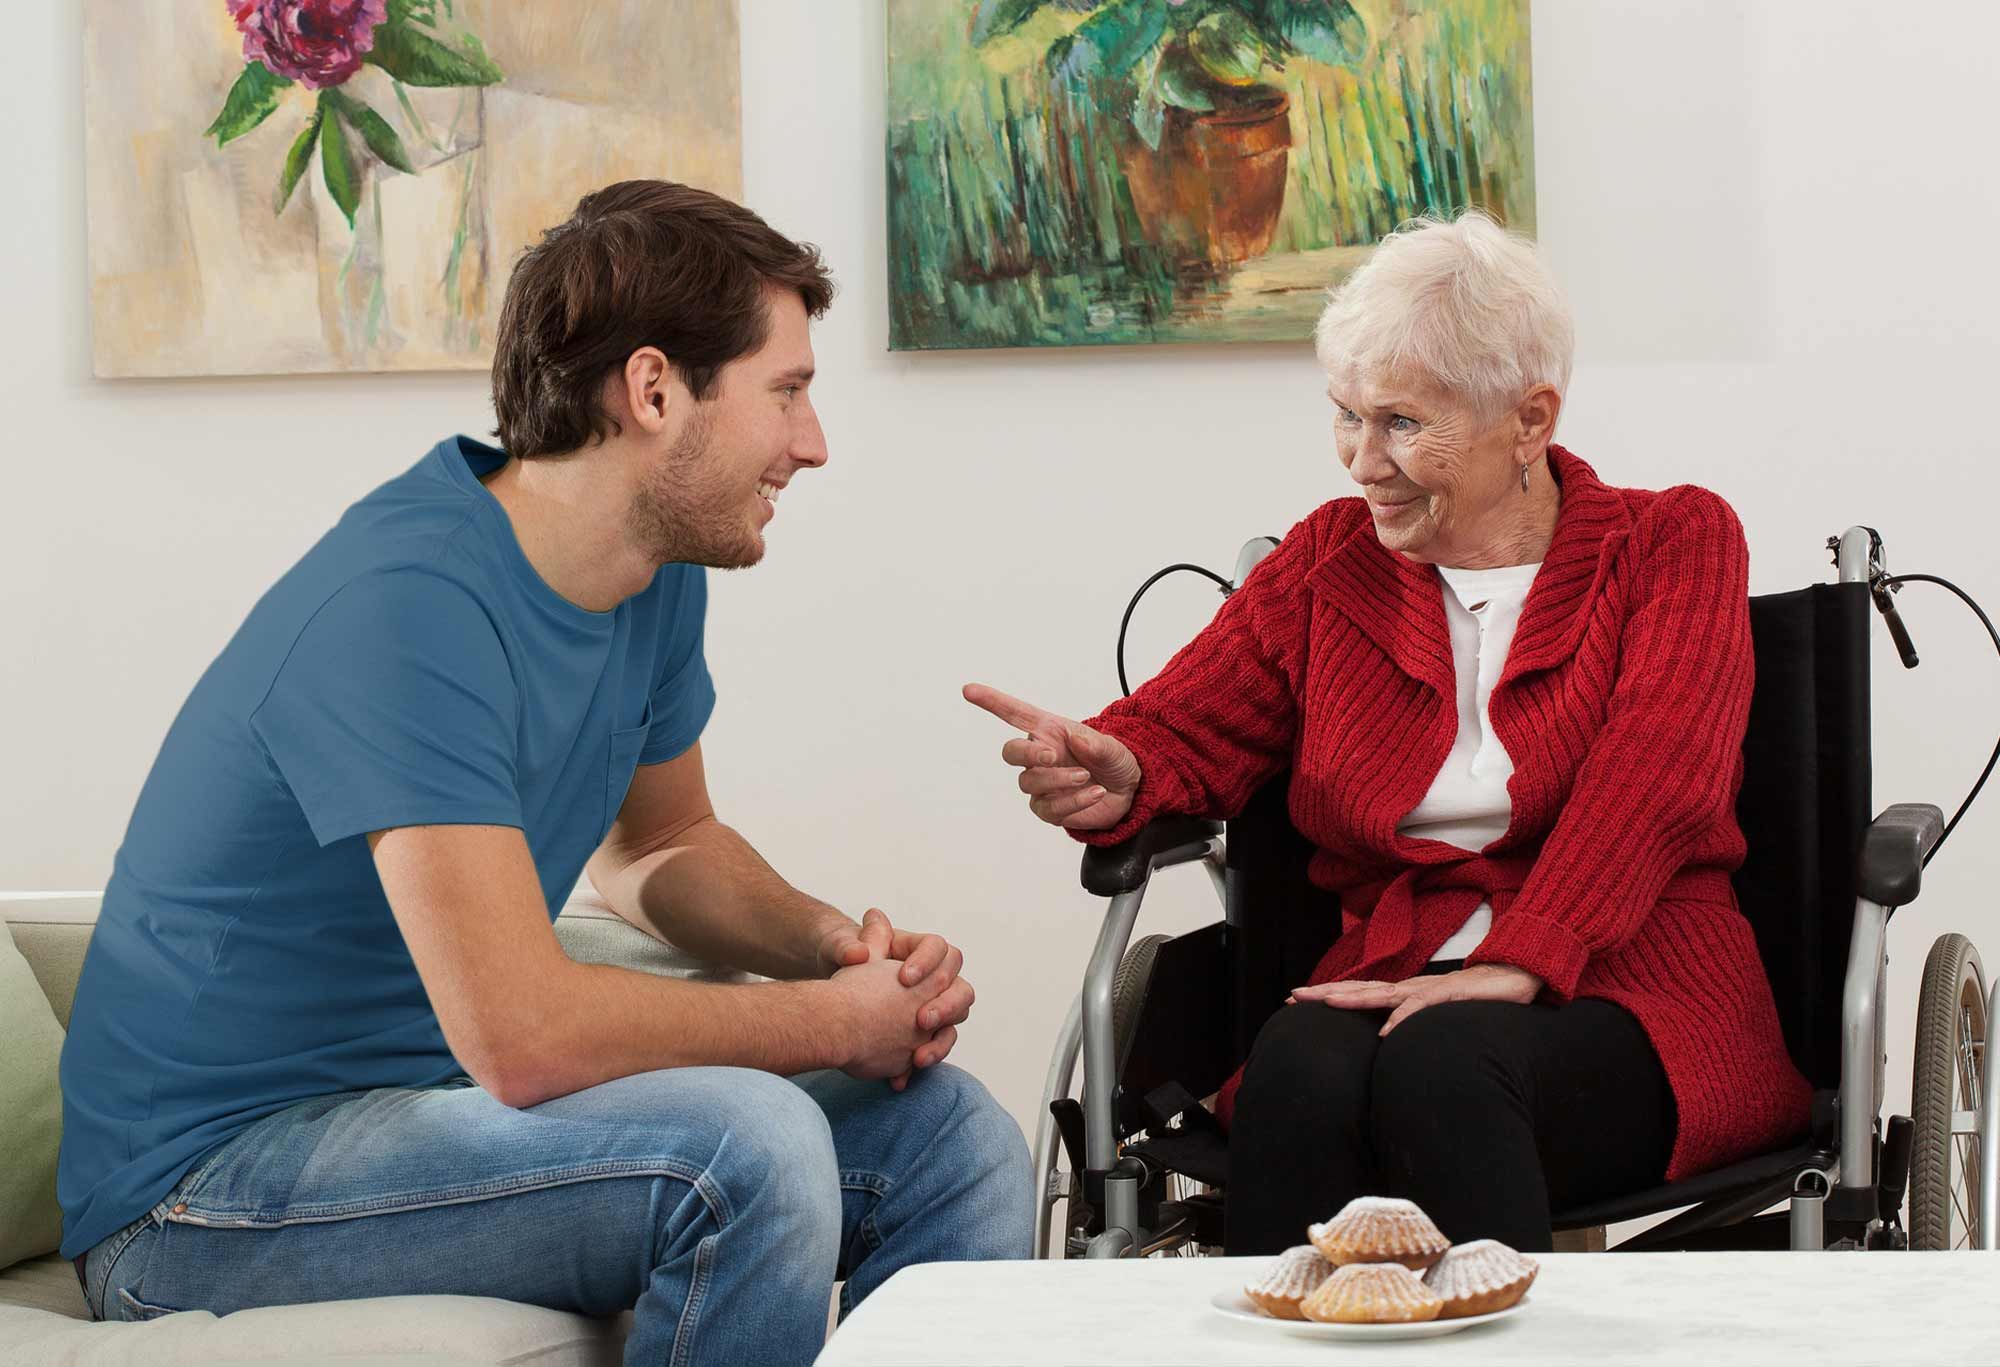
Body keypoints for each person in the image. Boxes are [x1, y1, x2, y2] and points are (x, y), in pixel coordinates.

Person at [60, 180, 1030, 1366]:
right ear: (656, 390)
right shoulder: (407, 605)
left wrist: (832, 946)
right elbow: (521, 1034)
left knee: (952, 1132)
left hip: (419, 1118)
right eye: (788, 391)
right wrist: (832, 1021)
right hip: (200, 1195)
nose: (812, 443)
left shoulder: (648, 570)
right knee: (752, 1146)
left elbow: (657, 847)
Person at [967, 211, 1809, 1255]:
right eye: (1345, 416)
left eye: (1402, 423)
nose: (1362, 460)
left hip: (1638, 982)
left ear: (1528, 417)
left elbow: (1661, 773)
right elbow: (1191, 724)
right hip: (1389, 966)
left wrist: (1526, 955)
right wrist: (1119, 764)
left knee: (1448, 1064)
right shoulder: (1328, 562)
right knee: (1291, 1068)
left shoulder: (1673, 540)